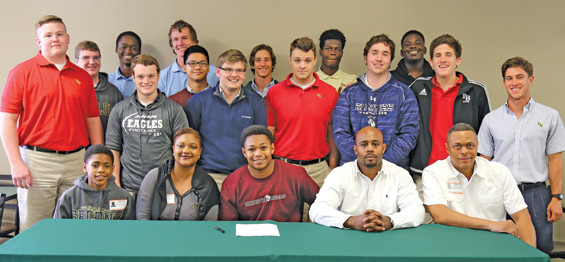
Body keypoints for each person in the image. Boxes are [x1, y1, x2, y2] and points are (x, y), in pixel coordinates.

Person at [0, 15, 103, 231]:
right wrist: (16, 163)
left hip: (77, 161)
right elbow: (7, 121)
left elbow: (92, 120)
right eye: (48, 35)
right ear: (39, 41)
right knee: (34, 229)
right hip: (36, 162)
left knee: (75, 227)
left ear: (67, 38)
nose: (54, 39)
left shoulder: (83, 77)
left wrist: (98, 159)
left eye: (59, 34)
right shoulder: (21, 72)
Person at [478, 57, 564, 253]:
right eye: (509, 78)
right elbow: (484, 161)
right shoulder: (491, 120)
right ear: (504, 82)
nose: (514, 83)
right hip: (499, 194)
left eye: (519, 77)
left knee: (540, 248)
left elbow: (555, 159)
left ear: (530, 79)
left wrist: (556, 197)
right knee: (499, 248)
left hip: (536, 193)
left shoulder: (549, 116)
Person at [423, 123, 536, 248]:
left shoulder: (499, 172)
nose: (464, 151)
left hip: (494, 245)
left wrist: (531, 253)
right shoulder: (433, 172)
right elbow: (440, 215)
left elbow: (521, 217)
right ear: (447, 148)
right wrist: (492, 224)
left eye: (470, 145)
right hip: (452, 244)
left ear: (477, 145)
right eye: (457, 146)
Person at [409, 34, 490, 199]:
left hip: (464, 173)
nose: (443, 60)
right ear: (431, 62)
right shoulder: (417, 88)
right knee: (425, 223)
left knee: (463, 223)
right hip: (425, 174)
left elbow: (487, 136)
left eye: (448, 55)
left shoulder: (476, 91)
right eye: (438, 55)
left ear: (458, 60)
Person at [310, 126, 424, 231]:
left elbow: (417, 211)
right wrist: (351, 221)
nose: (370, 149)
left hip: (388, 239)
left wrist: (389, 221)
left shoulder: (400, 175)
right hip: (347, 240)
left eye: (375, 144)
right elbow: (318, 209)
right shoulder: (339, 174)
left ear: (383, 148)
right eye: (364, 144)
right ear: (355, 150)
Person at [105, 54, 188, 195]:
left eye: (151, 76)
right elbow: (113, 150)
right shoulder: (119, 110)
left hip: (164, 187)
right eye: (140, 77)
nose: (146, 81)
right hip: (128, 188)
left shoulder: (174, 110)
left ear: (158, 76)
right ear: (133, 78)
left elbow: (183, 151)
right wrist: (116, 186)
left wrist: (177, 185)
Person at [333, 34, 419, 170]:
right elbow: (340, 132)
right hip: (353, 170)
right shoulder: (349, 93)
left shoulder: (404, 93)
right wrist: (363, 161)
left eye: (385, 54)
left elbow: (409, 134)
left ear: (390, 61)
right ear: (365, 58)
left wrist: (381, 164)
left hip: (392, 171)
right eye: (374, 53)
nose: (379, 58)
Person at [185, 49, 266, 190]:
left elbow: (261, 142)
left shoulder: (255, 102)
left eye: (239, 70)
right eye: (228, 69)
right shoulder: (198, 102)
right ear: (217, 72)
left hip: (245, 176)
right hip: (208, 176)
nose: (234, 75)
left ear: (244, 73)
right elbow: (190, 142)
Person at [265, 37, 339, 187]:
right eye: (297, 60)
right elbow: (269, 132)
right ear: (290, 60)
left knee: (320, 211)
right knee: (284, 211)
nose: (302, 66)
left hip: (318, 170)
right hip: (284, 167)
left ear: (315, 60)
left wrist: (332, 168)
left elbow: (333, 133)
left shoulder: (330, 93)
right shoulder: (274, 93)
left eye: (307, 60)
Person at [219, 125, 319, 221]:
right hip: (250, 237)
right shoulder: (231, 183)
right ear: (244, 152)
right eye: (252, 149)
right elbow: (228, 226)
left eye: (263, 148)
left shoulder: (297, 174)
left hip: (289, 236)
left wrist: (310, 228)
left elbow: (321, 203)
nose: (258, 154)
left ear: (272, 148)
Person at [136, 127, 219, 220]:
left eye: (193, 147)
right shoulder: (155, 176)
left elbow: (210, 226)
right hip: (155, 234)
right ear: (173, 149)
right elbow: (142, 218)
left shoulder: (208, 185)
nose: (186, 151)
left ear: (199, 152)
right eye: (180, 146)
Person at [53, 145, 135, 220]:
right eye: (95, 166)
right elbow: (58, 229)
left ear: (112, 169)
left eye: (107, 166)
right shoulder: (69, 197)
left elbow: (129, 229)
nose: (101, 170)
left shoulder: (124, 197)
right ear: (85, 167)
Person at [74, 40, 124, 140]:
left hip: (104, 151)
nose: (92, 62)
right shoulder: (69, 90)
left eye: (96, 58)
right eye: (86, 58)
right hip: (75, 152)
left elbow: (121, 129)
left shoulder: (114, 93)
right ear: (76, 61)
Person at [158, 19, 219, 96]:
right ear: (172, 45)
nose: (180, 43)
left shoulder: (215, 74)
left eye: (185, 38)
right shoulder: (162, 78)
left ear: (195, 42)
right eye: (176, 39)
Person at [316, 29, 357, 94]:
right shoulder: (311, 80)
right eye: (328, 48)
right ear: (321, 52)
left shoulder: (352, 80)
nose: (333, 53)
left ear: (342, 53)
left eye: (337, 49)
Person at [108, 31, 141, 98]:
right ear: (116, 49)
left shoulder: (145, 81)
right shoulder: (107, 81)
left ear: (139, 52)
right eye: (123, 47)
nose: (128, 51)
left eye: (133, 48)